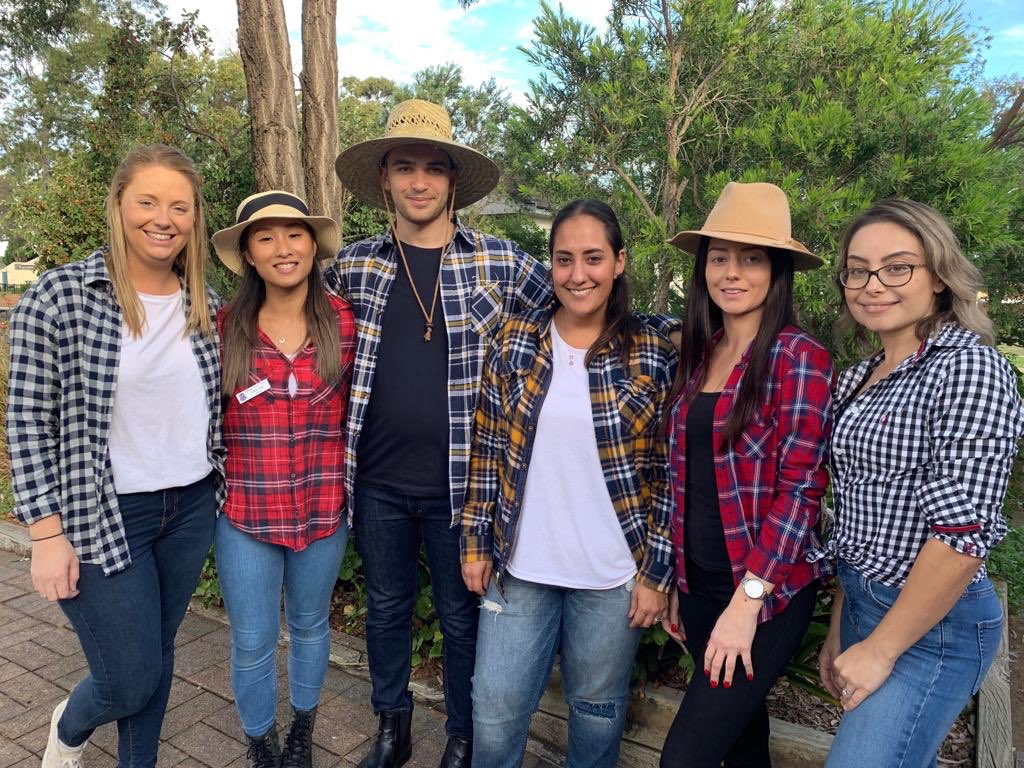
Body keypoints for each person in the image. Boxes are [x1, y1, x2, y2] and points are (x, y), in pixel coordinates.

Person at [325, 98, 553, 768]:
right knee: (387, 609)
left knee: (460, 618)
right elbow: (290, 317)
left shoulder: (502, 264)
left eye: (432, 168)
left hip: (465, 486)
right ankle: (391, 729)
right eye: (404, 167)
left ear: (453, 179)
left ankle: (462, 735)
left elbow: (580, 308)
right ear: (385, 178)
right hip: (378, 481)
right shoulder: (355, 267)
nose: (418, 181)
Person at [6, 144, 223, 768]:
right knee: (127, 676)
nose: (163, 219)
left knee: (157, 652)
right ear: (119, 205)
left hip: (189, 507)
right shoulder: (61, 296)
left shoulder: (205, 302)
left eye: (179, 206)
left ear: (194, 217)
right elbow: (26, 420)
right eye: (147, 201)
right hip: (102, 513)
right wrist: (45, 533)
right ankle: (70, 727)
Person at [461, 199, 676, 768]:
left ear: (620, 262)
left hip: (612, 576)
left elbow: (667, 474)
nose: (578, 274)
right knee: (494, 711)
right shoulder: (516, 340)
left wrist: (656, 575)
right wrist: (475, 542)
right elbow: (487, 447)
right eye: (564, 259)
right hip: (520, 567)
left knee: (596, 710)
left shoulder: (652, 352)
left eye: (593, 258)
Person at [816, 199, 1024, 768]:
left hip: (933, 627)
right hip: (864, 602)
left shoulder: (968, 369)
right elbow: (858, 508)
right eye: (858, 270)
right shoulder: (859, 378)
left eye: (897, 267)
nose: (873, 285)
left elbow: (961, 536)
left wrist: (882, 650)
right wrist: (841, 623)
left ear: (939, 276)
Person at [659, 182, 833, 767]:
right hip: (700, 584)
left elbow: (801, 490)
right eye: (719, 258)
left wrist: (746, 604)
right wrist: (678, 580)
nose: (732, 273)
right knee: (740, 740)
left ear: (776, 272)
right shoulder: (701, 352)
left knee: (684, 755)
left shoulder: (798, 356)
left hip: (765, 593)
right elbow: (686, 479)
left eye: (751, 258)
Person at [211, 191, 356, 768]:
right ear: (248, 253)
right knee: (252, 640)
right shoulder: (223, 328)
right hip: (246, 514)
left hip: (322, 510)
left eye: (294, 234)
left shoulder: (345, 322)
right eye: (266, 237)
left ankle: (302, 727)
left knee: (311, 624)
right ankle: (260, 740)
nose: (283, 248)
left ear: (313, 246)